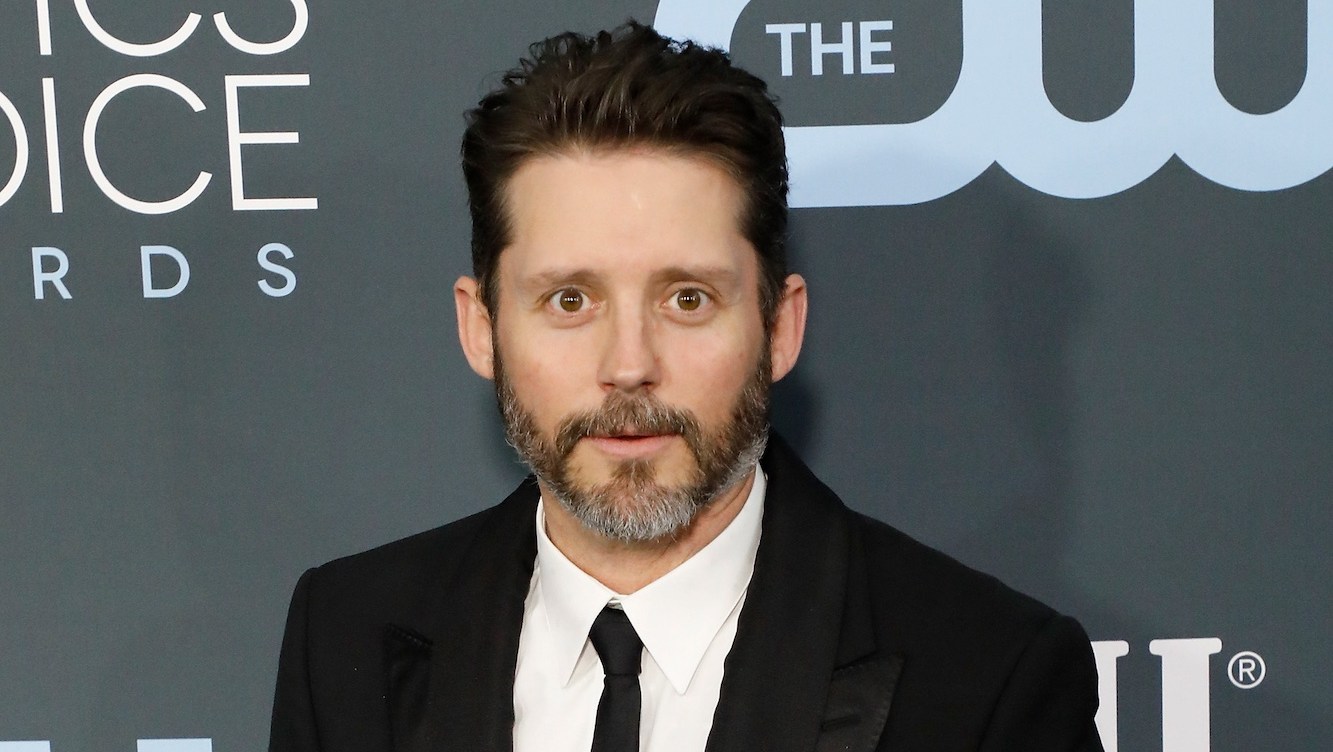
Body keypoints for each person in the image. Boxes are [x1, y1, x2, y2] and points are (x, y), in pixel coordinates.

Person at [268, 21, 1104, 752]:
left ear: (779, 326)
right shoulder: (344, 638)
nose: (629, 363)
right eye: (569, 300)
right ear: (480, 328)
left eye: (687, 299)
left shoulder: (988, 677)